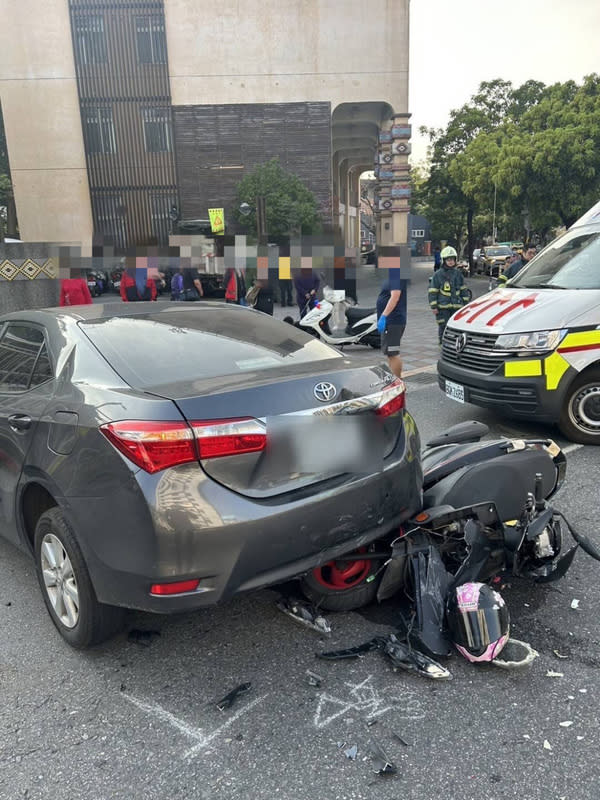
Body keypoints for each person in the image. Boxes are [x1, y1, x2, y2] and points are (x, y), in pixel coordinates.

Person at [428, 246, 471, 344]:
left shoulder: (458, 274)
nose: (451, 262)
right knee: (443, 325)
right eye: (448, 259)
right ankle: (442, 343)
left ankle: (454, 344)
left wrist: (466, 304)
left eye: (452, 259)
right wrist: (434, 306)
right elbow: (433, 291)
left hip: (457, 306)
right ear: (444, 260)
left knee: (456, 327)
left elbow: (463, 289)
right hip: (443, 307)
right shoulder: (438, 275)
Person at [376, 267, 407, 379]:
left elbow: (395, 297)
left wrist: (384, 316)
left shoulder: (396, 274)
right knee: (390, 353)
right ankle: (395, 380)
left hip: (394, 320)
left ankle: (398, 382)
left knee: (393, 353)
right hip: (391, 321)